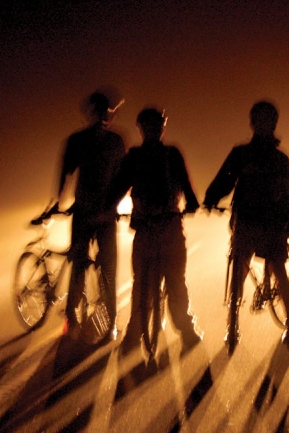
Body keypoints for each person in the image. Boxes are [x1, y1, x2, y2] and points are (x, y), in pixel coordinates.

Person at [106, 107, 202, 361]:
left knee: (160, 282)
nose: (154, 130)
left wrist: (108, 208)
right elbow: (119, 187)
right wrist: (191, 204)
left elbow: (118, 188)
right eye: (150, 125)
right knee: (168, 282)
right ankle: (183, 332)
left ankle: (136, 337)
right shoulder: (164, 154)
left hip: (153, 228)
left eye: (156, 125)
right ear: (143, 128)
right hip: (162, 227)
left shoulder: (144, 156)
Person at [203, 100, 289, 347]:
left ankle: (286, 324)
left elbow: (288, 194)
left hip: (261, 220)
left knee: (255, 265)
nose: (265, 124)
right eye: (262, 120)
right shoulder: (272, 157)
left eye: (268, 120)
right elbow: (226, 179)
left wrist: (211, 199)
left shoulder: (253, 155)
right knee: (254, 267)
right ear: (256, 123)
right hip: (258, 220)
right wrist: (211, 196)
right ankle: (283, 324)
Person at [58, 90, 126, 340]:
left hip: (98, 212)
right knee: (95, 264)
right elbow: (67, 172)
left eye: (104, 113)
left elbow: (122, 177)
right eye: (99, 112)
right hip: (93, 211)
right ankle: (78, 315)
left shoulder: (109, 141)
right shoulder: (107, 141)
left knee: (95, 264)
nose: (101, 117)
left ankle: (91, 317)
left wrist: (60, 201)